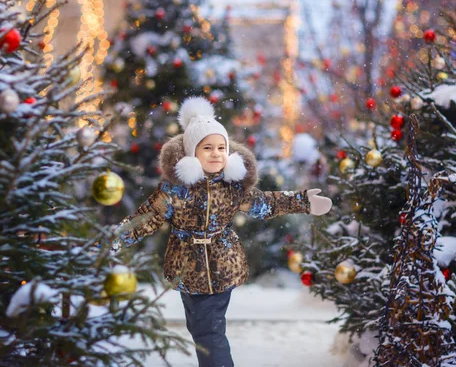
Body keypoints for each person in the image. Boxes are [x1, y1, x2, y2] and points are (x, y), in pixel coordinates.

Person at [116, 96, 332, 367]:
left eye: (221, 147)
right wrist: (117, 238)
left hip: (221, 266)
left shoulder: (231, 188)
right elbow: (147, 217)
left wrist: (303, 201)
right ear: (191, 152)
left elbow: (264, 203)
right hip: (186, 267)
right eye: (208, 148)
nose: (216, 153)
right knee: (200, 330)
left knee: (210, 333)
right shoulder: (175, 190)